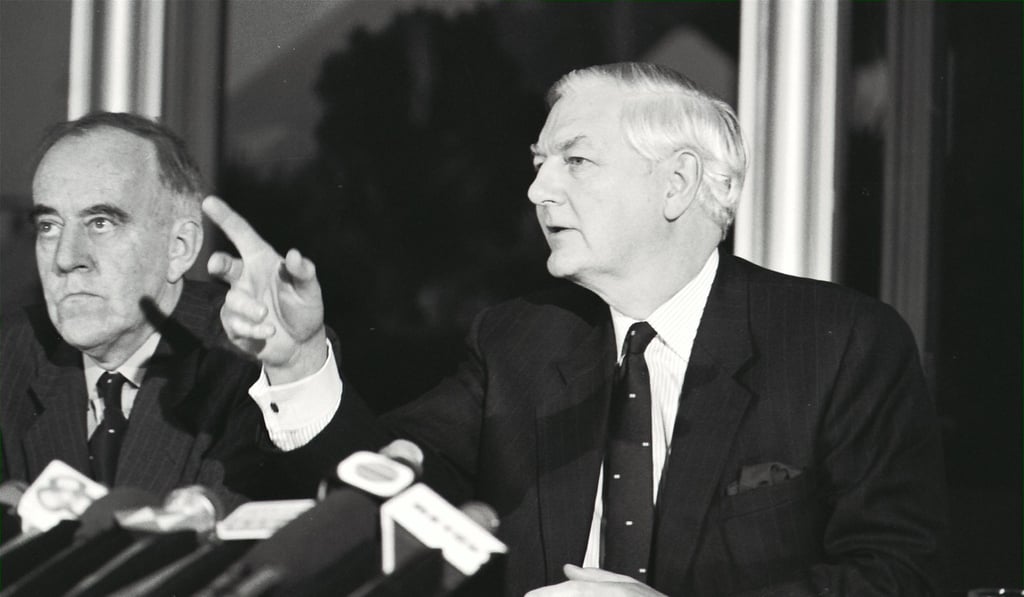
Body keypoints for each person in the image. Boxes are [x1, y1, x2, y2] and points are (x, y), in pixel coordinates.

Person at [205, 63, 948, 596]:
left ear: (678, 183)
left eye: (576, 160)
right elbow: (390, 489)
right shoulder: (520, 342)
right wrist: (300, 360)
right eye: (537, 163)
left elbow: (896, 572)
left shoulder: (840, 343)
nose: (537, 189)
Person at [0, 112, 378, 515]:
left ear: (179, 247)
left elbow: (358, 507)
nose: (65, 258)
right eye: (49, 226)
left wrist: (296, 366)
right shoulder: (13, 353)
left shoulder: (254, 356)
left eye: (101, 222)